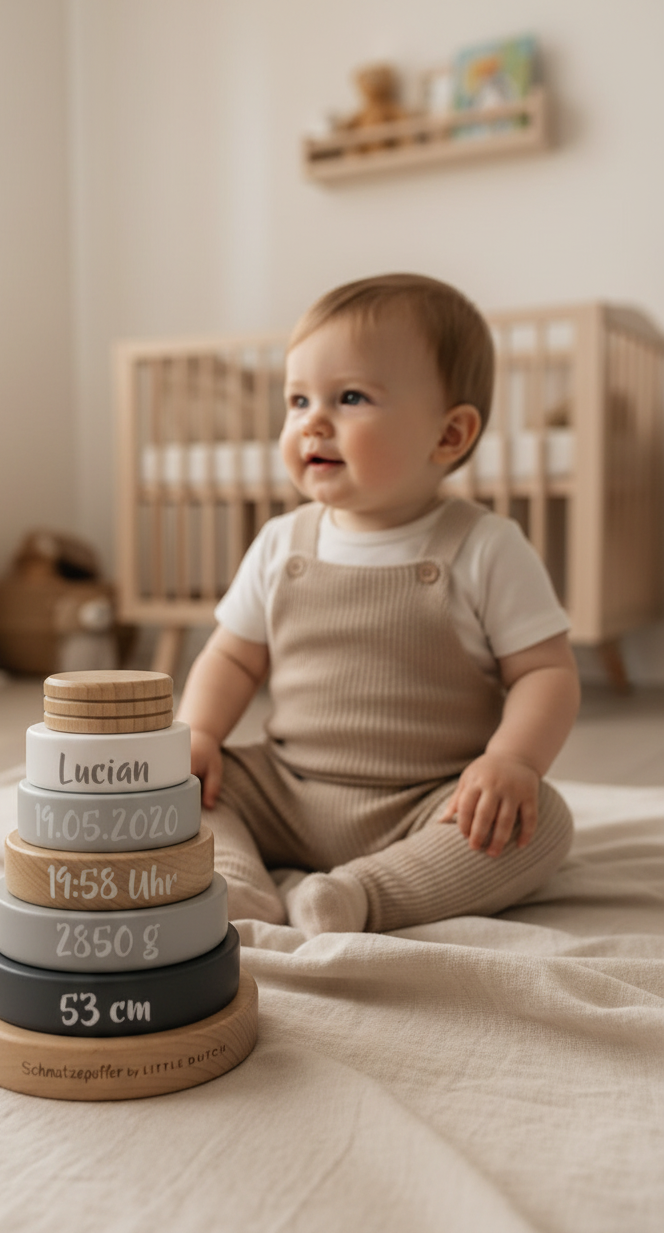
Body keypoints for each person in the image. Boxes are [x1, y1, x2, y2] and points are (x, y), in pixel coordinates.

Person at [177, 273, 579, 936]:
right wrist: (199, 733)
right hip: (286, 788)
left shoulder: (483, 547)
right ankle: (237, 883)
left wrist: (513, 761)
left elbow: (546, 673)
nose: (312, 421)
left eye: (351, 397)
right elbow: (231, 657)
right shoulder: (282, 543)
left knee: (541, 823)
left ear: (449, 436)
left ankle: (364, 895)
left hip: (429, 801)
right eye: (298, 399)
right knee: (178, 791)